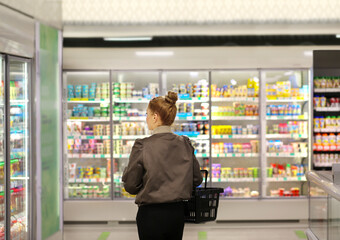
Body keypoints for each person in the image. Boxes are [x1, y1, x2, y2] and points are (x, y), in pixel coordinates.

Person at [122, 91, 203, 240]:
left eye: (147, 114)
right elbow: (197, 180)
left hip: (150, 215)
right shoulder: (185, 143)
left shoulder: (143, 146)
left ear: (155, 117)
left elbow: (131, 186)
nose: (146, 119)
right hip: (177, 214)